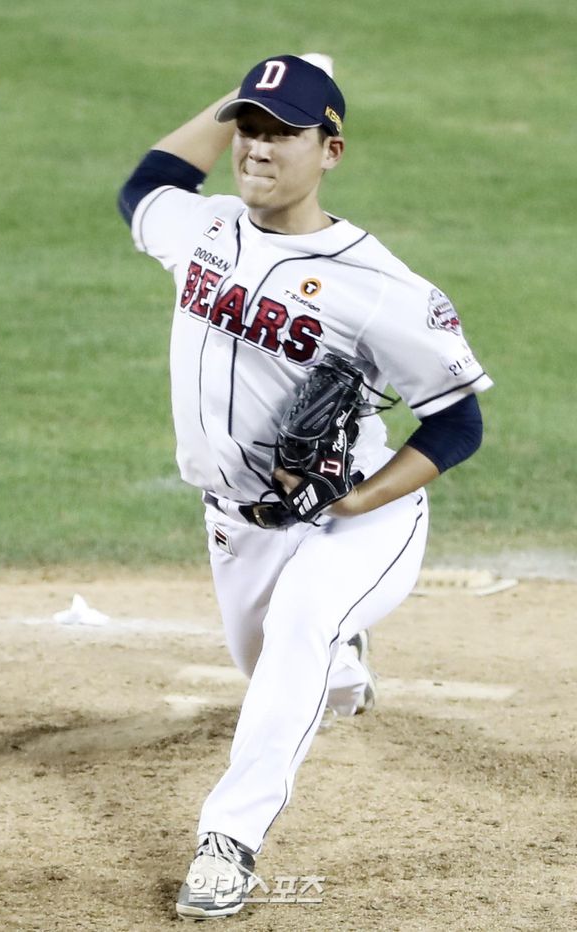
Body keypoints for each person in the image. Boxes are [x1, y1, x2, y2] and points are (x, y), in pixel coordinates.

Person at [118, 53, 492, 921]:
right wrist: (240, 96)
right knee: (277, 667)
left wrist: (356, 499)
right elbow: (146, 184)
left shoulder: (382, 288)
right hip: (239, 522)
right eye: (248, 130)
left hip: (359, 518)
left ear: (331, 151)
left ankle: (227, 844)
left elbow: (458, 424)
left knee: (299, 627)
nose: (257, 148)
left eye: (282, 133)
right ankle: (346, 663)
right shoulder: (204, 228)